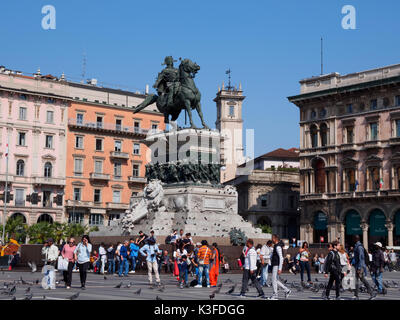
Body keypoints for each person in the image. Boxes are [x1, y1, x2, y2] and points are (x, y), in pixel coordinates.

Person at [352, 235, 376, 300]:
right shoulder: (357, 246)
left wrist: (359, 267)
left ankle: (371, 294)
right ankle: (356, 295)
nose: (352, 239)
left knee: (362, 280)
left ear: (356, 239)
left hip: (360, 266)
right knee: (357, 280)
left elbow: (361, 257)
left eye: (353, 238)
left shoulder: (359, 247)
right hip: (358, 266)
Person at [267, 234, 291, 300]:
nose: (271, 240)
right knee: (275, 280)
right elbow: (271, 256)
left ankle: (275, 295)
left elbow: (281, 257)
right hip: (275, 264)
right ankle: (287, 290)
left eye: (272, 238)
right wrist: (263, 257)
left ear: (275, 239)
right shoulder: (276, 246)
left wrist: (280, 268)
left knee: (273, 279)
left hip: (276, 265)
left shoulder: (278, 247)